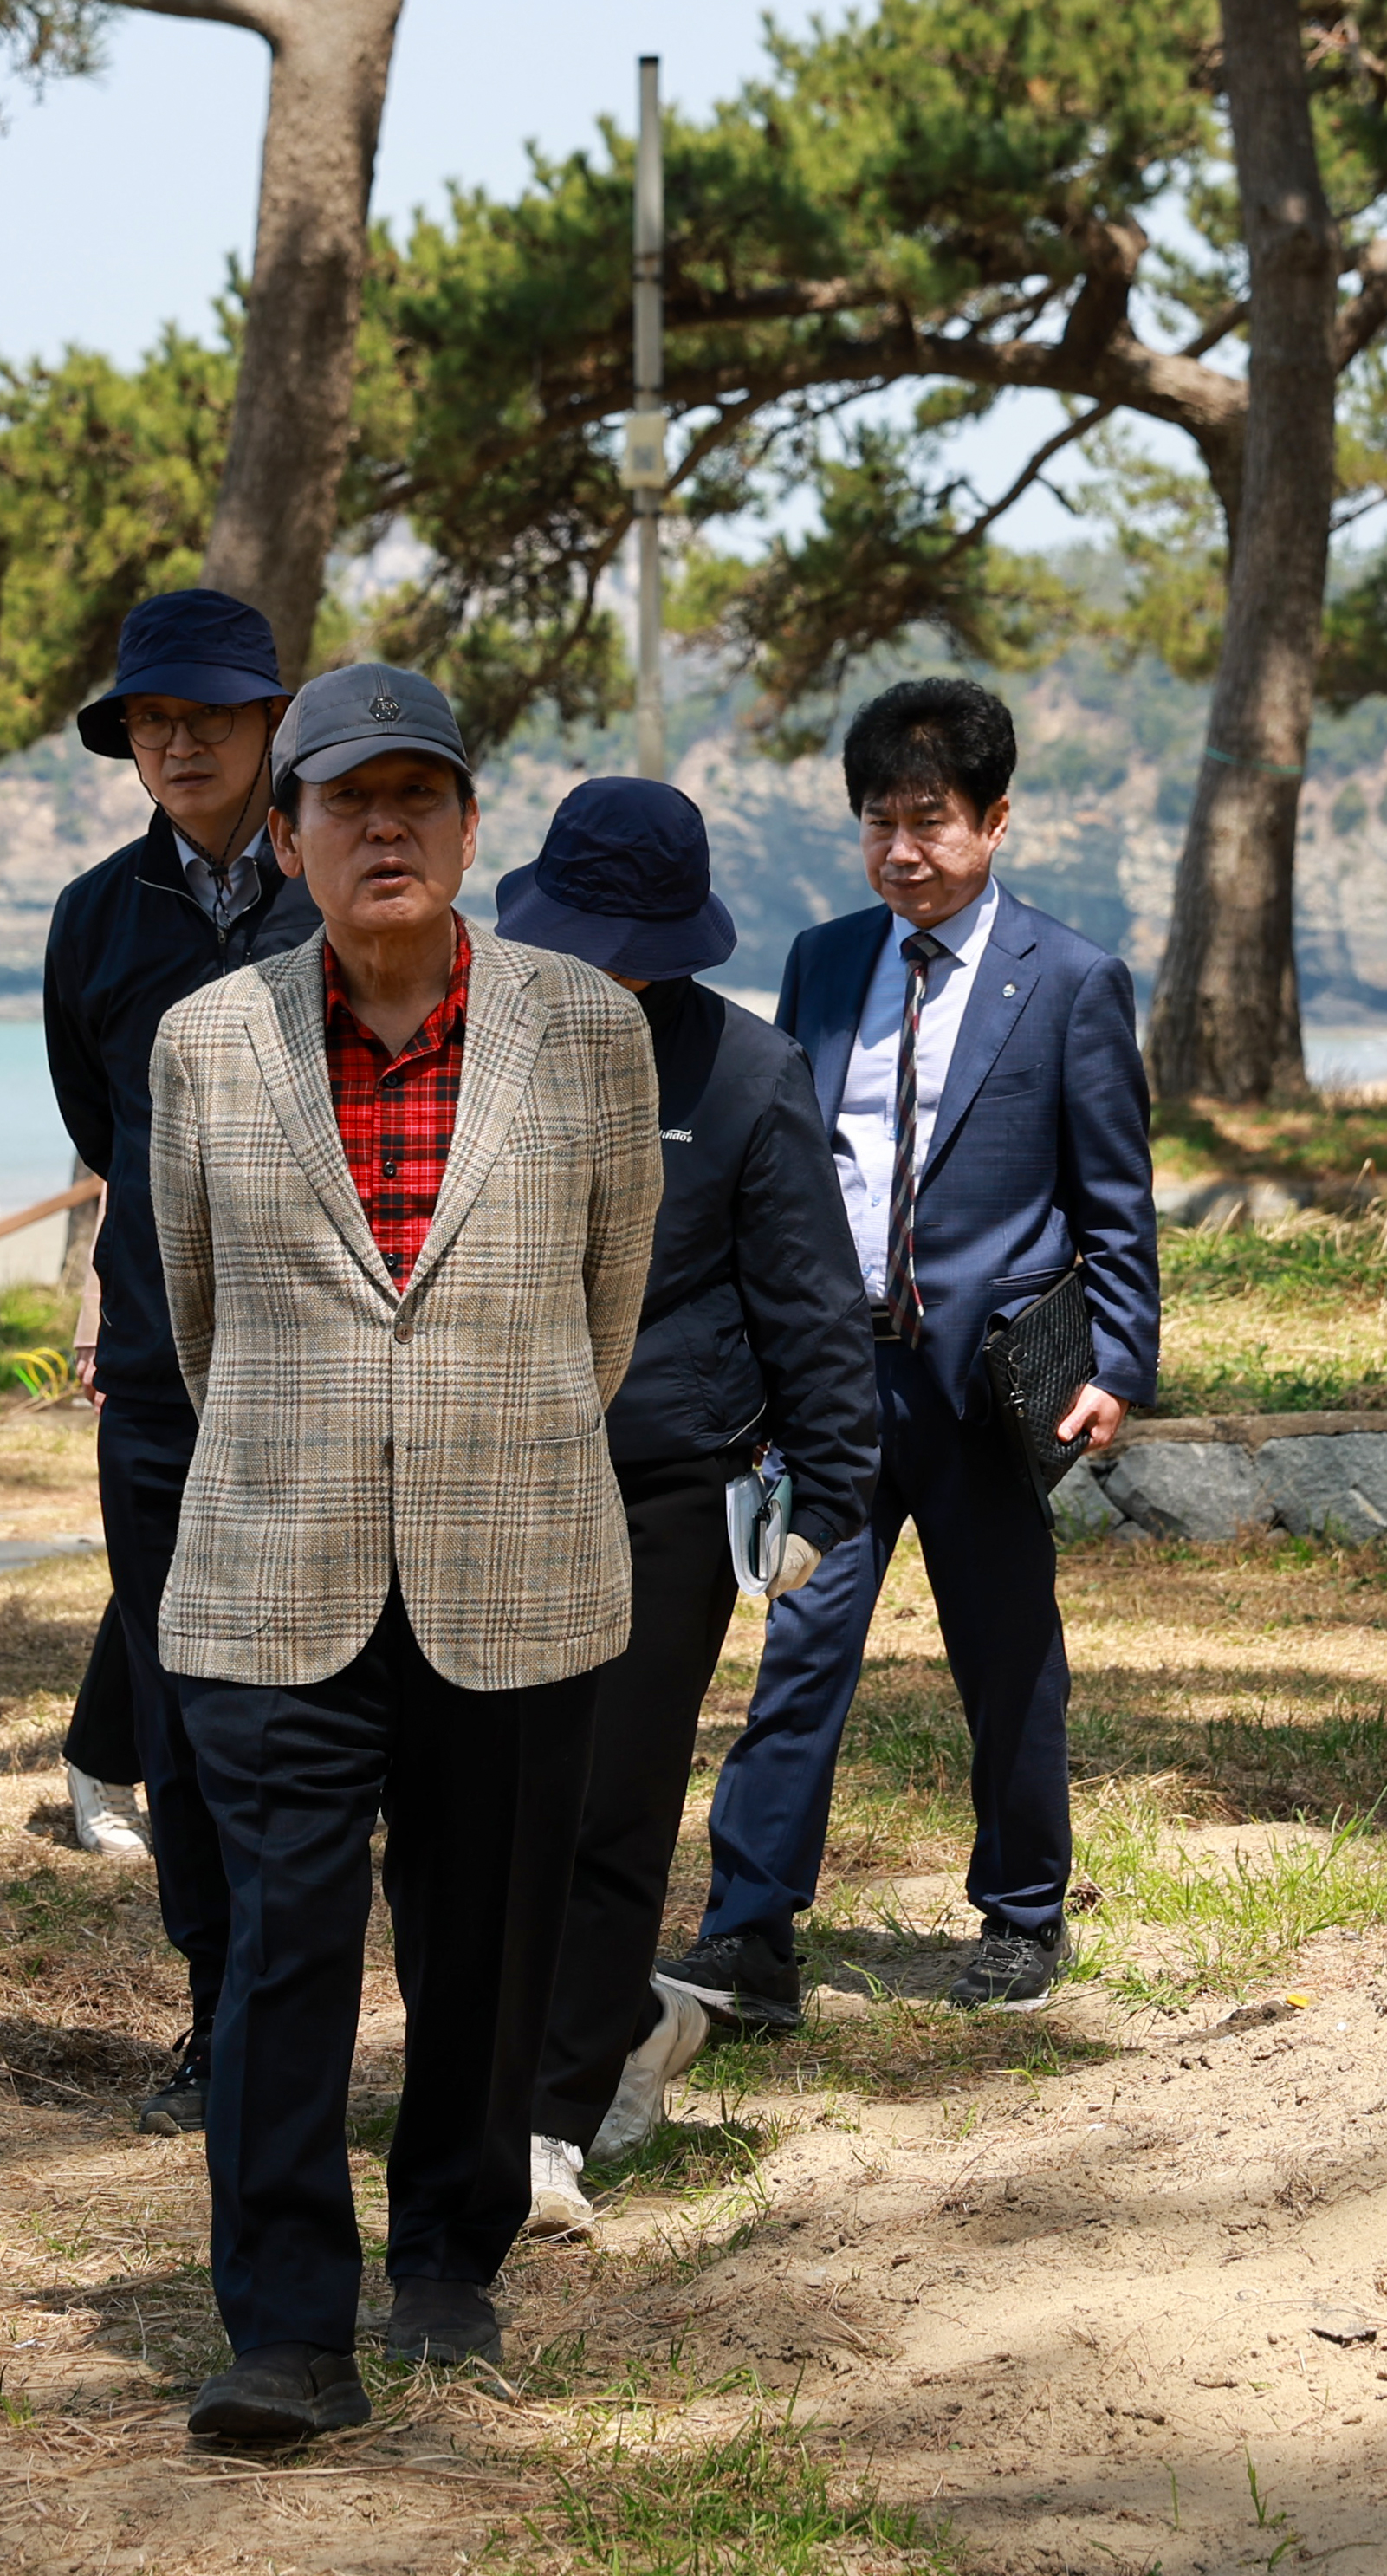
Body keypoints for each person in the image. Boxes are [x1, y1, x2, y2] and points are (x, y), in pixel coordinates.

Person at [146, 662, 661, 2446]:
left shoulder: (590, 1030)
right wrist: (326, 1451)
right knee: (278, 1954)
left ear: (467, 823)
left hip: (515, 1558)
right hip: (270, 1572)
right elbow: (200, 1329)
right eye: (347, 800)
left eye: (418, 796)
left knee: (488, 1942)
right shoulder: (207, 1044)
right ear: (283, 838)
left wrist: (474, 1440)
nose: (386, 827)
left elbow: (609, 1314)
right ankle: (285, 2327)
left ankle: (450, 2254)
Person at [657, 676, 1157, 2028]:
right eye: (877, 821)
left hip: (993, 1388)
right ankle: (750, 1935)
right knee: (801, 1647)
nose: (901, 850)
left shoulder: (1071, 981)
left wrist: (1119, 1362)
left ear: (996, 821)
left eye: (929, 820)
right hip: (833, 1383)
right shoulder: (824, 961)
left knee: (1006, 1653)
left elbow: (1115, 1198)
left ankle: (1021, 1917)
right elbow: (779, 1159)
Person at [486, 778, 878, 2236]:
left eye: (622, 940)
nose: (594, 963)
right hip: (490, 1474)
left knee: (611, 1807)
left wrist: (827, 1494)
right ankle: (621, 2025)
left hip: (663, 1485)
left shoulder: (745, 1075)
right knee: (480, 1796)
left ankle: (546, 2119)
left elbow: (812, 1300)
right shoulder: (483, 1048)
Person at [36, 587, 314, 2135]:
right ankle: (220, 2014)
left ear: (275, 723)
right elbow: (103, 1128)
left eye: (211, 715)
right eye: (152, 721)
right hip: (156, 1380)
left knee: (331, 1704)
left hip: (329, 1374)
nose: (180, 743)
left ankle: (321, 1997)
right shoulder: (96, 915)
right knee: (182, 1705)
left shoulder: (338, 888)